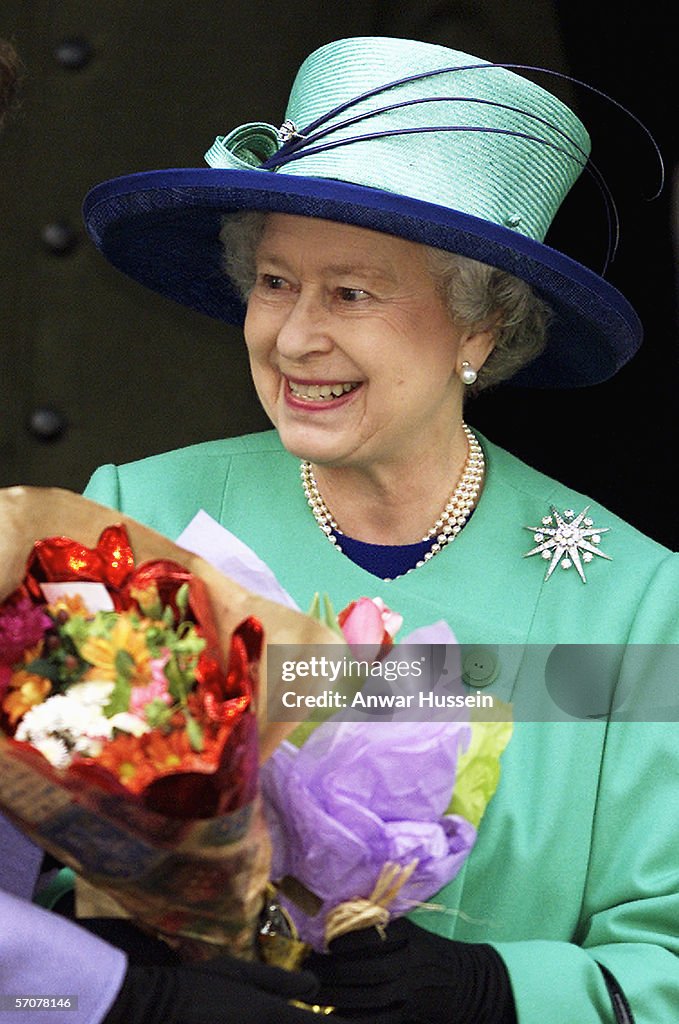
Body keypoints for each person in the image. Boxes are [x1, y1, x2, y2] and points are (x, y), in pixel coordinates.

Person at [19, 34, 679, 1024]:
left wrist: (494, 993)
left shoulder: (629, 603)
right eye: (276, 281)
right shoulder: (142, 514)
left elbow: (662, 950)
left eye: (351, 293)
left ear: (479, 325)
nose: (291, 336)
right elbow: (39, 874)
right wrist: (123, 967)